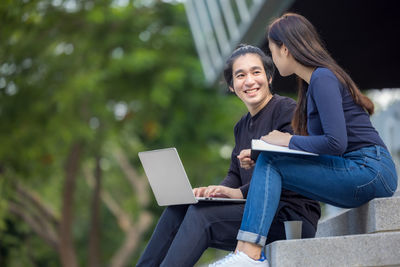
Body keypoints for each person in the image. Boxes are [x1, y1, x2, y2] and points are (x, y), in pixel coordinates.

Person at [210, 13, 398, 267]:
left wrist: (285, 142)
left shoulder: (323, 77)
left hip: (370, 170)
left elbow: (335, 143)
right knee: (269, 160)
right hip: (356, 170)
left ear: (285, 49)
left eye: (273, 51)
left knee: (272, 160)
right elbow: (324, 148)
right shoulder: (312, 86)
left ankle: (249, 254)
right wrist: (270, 152)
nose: (273, 60)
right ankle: (246, 253)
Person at [136, 44, 321, 267]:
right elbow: (235, 174)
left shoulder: (286, 110)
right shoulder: (241, 126)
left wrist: (236, 192)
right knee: (178, 208)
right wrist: (216, 192)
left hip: (289, 216)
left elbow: (288, 170)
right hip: (254, 213)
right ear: (232, 86)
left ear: (269, 77)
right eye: (240, 75)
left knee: (201, 215)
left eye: (256, 72)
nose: (250, 81)